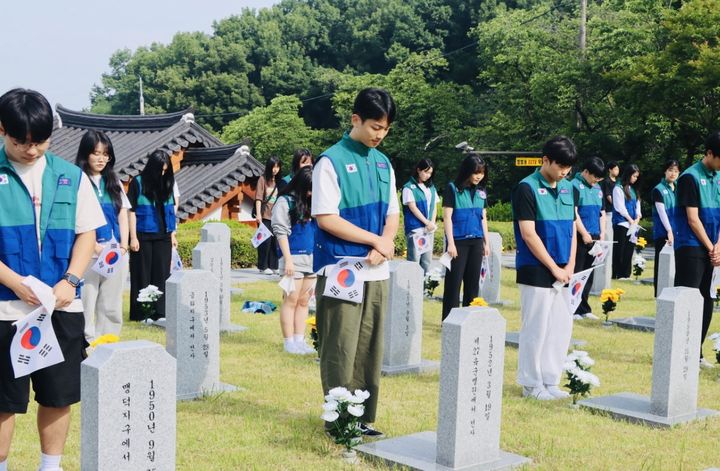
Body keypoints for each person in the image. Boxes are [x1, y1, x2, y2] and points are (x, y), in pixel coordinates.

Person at [0, 88, 105, 471]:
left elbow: (87, 234)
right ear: (2, 130)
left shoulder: (70, 176)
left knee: (58, 395)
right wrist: (14, 282)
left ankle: (51, 465)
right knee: (3, 400)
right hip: (5, 308)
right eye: (21, 142)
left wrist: (71, 281)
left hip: (62, 306)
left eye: (40, 142)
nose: (31, 151)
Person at [312, 87, 398, 437]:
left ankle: (362, 417)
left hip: (376, 268)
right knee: (340, 344)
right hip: (341, 269)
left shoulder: (383, 162)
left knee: (369, 345)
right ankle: (339, 420)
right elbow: (326, 217)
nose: (380, 134)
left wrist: (386, 241)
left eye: (386, 128)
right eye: (375, 126)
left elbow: (392, 212)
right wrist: (374, 240)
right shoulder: (330, 161)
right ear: (355, 119)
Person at [512, 136, 578, 401]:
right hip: (536, 268)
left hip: (565, 268)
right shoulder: (526, 188)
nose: (564, 173)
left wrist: (571, 264)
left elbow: (573, 227)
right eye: (560, 166)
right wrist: (553, 267)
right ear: (545, 160)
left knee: (561, 326)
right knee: (536, 327)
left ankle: (551, 379)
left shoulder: (569, 188)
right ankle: (531, 383)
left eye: (568, 168)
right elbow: (529, 234)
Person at [76, 130, 131, 342]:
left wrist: (123, 247)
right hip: (88, 251)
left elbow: (122, 215)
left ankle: (108, 339)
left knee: (111, 300)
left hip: (114, 251)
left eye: (105, 154)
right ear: (85, 154)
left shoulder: (113, 182)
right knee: (87, 299)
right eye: (96, 153)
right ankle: (87, 341)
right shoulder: (77, 180)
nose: (101, 159)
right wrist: (95, 248)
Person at [674, 132, 720, 369]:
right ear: (709, 153)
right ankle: (681, 350)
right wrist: (712, 247)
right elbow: (693, 219)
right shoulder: (689, 177)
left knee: (707, 299)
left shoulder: (719, 177)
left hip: (713, 247)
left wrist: (718, 246)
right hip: (691, 246)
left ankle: (697, 352)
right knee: (688, 298)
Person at [127, 150, 179, 322]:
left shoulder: (168, 183)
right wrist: (132, 237)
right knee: (142, 274)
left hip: (164, 235)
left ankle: (159, 312)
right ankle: (141, 313)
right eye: (160, 170)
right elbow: (131, 211)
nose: (162, 174)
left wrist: (172, 234)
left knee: (161, 274)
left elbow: (171, 210)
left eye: (165, 170)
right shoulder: (137, 183)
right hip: (143, 234)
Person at [271, 166, 317, 355]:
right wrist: (288, 260)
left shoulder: (313, 202)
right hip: (293, 257)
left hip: (312, 258)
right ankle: (289, 342)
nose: (311, 193)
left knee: (305, 300)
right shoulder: (285, 201)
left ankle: (300, 340)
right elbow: (281, 231)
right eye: (308, 188)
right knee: (291, 299)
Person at [441, 154, 490, 320]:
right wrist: (451, 243)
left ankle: (469, 320)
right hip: (458, 242)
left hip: (476, 241)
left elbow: (483, 218)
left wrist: (486, 243)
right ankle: (449, 321)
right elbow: (447, 217)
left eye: (482, 173)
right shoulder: (452, 189)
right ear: (467, 171)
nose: (478, 176)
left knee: (472, 284)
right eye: (476, 172)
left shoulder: (482, 191)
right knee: (454, 284)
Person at [571, 157, 605, 320]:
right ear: (585, 172)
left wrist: (602, 234)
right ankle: (574, 308)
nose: (596, 180)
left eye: (599, 178)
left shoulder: (598, 188)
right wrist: (584, 233)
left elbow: (602, 213)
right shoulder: (574, 186)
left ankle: (584, 307)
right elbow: (574, 213)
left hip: (595, 236)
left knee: (589, 273)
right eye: (594, 177)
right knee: (577, 272)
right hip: (579, 235)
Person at [402, 158, 438, 275]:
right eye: (426, 172)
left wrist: (431, 223)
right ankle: (412, 290)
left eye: (430, 173)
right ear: (418, 170)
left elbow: (434, 206)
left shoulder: (431, 187)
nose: (428, 175)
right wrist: (427, 222)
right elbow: (413, 208)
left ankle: (424, 290)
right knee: (414, 261)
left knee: (427, 261)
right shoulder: (409, 187)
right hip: (416, 229)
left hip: (429, 230)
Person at [652, 160, 679, 297]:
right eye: (670, 170)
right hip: (663, 233)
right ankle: (659, 292)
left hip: (677, 232)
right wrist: (669, 231)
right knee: (661, 263)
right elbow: (662, 212)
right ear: (665, 171)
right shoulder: (659, 189)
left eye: (675, 171)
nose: (673, 173)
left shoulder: (678, 189)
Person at [611, 164, 641, 280]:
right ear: (628, 175)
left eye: (637, 177)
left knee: (629, 249)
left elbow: (638, 205)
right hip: (622, 223)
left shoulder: (634, 190)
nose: (635, 178)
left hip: (633, 224)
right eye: (634, 176)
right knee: (620, 249)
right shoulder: (618, 188)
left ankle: (626, 274)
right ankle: (618, 273)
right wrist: (630, 220)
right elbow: (620, 207)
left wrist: (637, 218)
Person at [255, 156, 282, 275]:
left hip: (277, 215)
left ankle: (273, 265)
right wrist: (258, 215)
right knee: (264, 241)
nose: (275, 169)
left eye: (277, 167)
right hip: (265, 214)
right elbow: (258, 198)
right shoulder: (262, 179)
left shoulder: (280, 181)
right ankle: (263, 266)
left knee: (275, 241)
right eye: (273, 167)